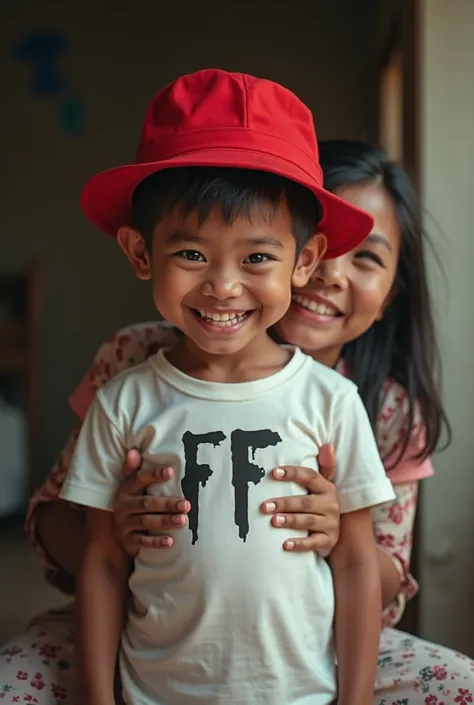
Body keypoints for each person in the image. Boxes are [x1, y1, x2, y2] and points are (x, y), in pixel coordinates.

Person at [2, 140, 473, 705]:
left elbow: (381, 572)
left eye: (364, 256)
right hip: (151, 632)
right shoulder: (135, 367)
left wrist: (334, 529)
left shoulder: (368, 405)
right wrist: (122, 532)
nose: (329, 274)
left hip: (312, 646)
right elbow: (62, 525)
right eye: (197, 254)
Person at [59, 69, 394, 705]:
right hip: (154, 691)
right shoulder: (124, 400)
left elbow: (355, 563)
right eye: (191, 255)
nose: (223, 286)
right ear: (139, 253)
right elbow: (102, 562)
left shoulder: (331, 402)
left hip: (303, 693)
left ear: (304, 261)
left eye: (257, 258)